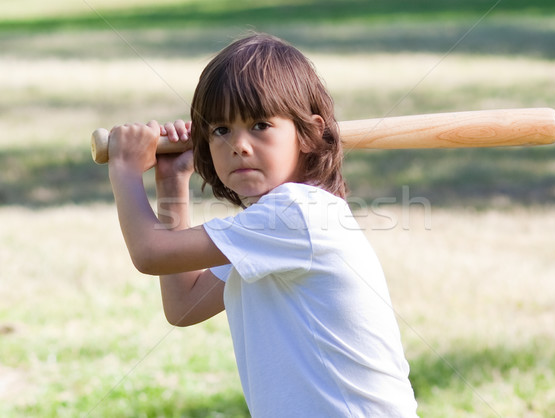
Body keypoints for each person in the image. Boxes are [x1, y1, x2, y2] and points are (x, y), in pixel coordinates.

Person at [107, 33, 418, 417]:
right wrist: (171, 183)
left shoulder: (296, 214)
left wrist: (124, 169)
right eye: (221, 130)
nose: (239, 144)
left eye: (259, 125)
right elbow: (184, 305)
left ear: (309, 133)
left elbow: (151, 254)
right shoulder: (266, 229)